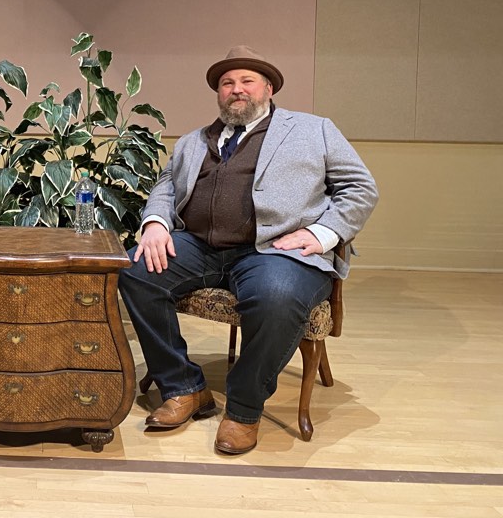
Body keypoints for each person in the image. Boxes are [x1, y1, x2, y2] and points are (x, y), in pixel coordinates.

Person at [119, 45, 378, 455]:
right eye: (227, 83)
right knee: (136, 273)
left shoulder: (313, 130)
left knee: (276, 297)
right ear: (218, 93)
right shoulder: (192, 141)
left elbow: (360, 187)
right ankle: (184, 386)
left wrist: (324, 233)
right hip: (200, 245)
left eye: (247, 81)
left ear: (268, 88)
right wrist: (155, 222)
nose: (236, 89)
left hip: (276, 250)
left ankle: (243, 408)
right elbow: (166, 185)